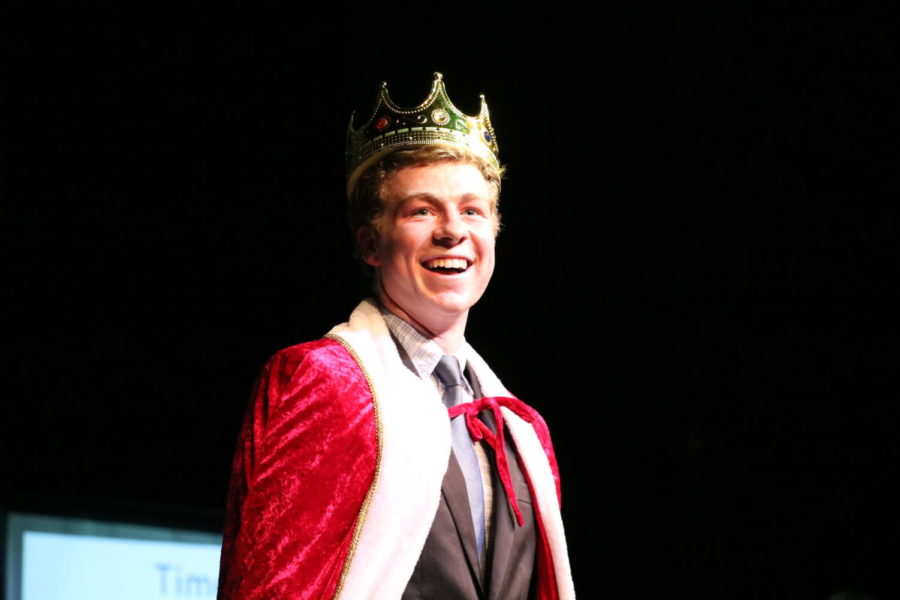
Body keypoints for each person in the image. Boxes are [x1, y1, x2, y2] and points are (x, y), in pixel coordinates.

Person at [216, 72, 576, 599]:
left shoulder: (519, 429)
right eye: (422, 210)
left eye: (472, 210)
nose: (453, 230)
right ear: (370, 243)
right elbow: (274, 584)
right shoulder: (327, 381)